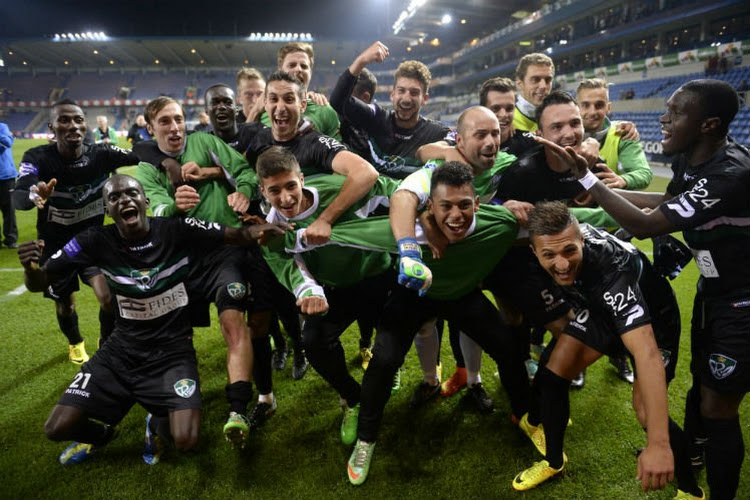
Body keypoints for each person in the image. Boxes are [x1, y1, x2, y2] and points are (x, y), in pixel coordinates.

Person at [544, 79, 748, 500]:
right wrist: (614, 195)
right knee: (702, 388)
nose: (663, 119)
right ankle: (694, 462)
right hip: (716, 292)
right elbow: (663, 201)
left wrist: (590, 180)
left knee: (717, 404)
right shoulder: (693, 160)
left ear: (708, 124)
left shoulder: (731, 173)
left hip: (743, 300)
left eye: (675, 113)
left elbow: (648, 223)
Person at [18, 174, 285, 467]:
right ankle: (103, 434)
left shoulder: (176, 229)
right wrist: (31, 268)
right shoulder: (93, 240)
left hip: (172, 352)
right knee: (56, 428)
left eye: (132, 193)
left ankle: (156, 418)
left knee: (186, 440)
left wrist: (262, 228)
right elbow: (40, 281)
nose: (125, 200)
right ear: (107, 210)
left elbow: (234, 235)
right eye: (115, 197)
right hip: (122, 350)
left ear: (145, 201)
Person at [320, 163, 529, 485]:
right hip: (412, 296)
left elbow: (568, 219)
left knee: (509, 347)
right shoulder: (405, 228)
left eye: (464, 205)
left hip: (461, 296)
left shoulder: (499, 222)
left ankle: (526, 415)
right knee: (384, 359)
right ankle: (366, 439)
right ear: (429, 207)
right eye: (445, 206)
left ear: (477, 204)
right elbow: (342, 233)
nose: (456, 215)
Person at [512, 202, 682, 495]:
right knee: (552, 375)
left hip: (654, 324)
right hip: (602, 313)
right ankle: (554, 461)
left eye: (569, 251)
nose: (562, 265)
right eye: (549, 255)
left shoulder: (611, 270)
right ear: (534, 250)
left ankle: (691, 487)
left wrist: (658, 445)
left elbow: (647, 354)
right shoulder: (548, 243)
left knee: (646, 413)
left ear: (583, 240)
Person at [244, 70, 379, 424]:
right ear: (264, 106)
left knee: (381, 316)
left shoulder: (315, 143)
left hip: (342, 250)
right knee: (303, 325)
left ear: (303, 104)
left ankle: (377, 359)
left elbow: (365, 174)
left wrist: (327, 219)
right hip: (298, 254)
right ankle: (348, 393)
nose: (280, 107)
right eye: (273, 99)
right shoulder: (258, 142)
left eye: (289, 98)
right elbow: (246, 176)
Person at [134, 96, 260, 446]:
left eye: (178, 119)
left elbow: (245, 171)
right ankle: (177, 401)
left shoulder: (206, 142)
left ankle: (238, 410)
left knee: (233, 321)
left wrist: (244, 193)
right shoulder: (146, 168)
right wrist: (171, 205)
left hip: (224, 252)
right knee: (178, 337)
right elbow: (149, 209)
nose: (175, 127)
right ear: (151, 127)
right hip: (178, 260)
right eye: (165, 122)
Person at [257, 146, 399, 445]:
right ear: (262, 191)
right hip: (336, 290)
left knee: (388, 351)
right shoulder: (269, 231)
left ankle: (385, 364)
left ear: (303, 179)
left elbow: (395, 192)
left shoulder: (338, 189)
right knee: (314, 341)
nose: (285, 198)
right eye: (274, 191)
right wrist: (310, 292)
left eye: (291, 186)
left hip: (377, 276)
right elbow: (290, 268)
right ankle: (353, 399)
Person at [13, 99, 139, 364]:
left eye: (79, 120)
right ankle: (75, 342)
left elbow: (140, 154)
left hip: (93, 241)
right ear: (52, 127)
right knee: (66, 303)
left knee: (108, 297)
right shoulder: (38, 157)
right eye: (65, 120)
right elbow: (20, 193)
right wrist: (35, 194)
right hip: (56, 244)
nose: (73, 125)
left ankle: (106, 343)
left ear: (85, 125)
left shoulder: (100, 154)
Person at [330, 41, 451, 178]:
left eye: (414, 93)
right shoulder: (377, 118)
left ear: (425, 99)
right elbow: (338, 102)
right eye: (401, 91)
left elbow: (462, 140)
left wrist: (447, 148)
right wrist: (360, 61)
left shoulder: (436, 132)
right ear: (392, 95)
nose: (406, 98)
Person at [255, 43, 340, 140]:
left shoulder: (325, 110)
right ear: (280, 70)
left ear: (310, 73)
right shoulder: (264, 107)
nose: (299, 69)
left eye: (304, 66)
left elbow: (337, 151)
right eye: (292, 65)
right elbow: (243, 146)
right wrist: (255, 111)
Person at [513, 53, 555, 133]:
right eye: (535, 79)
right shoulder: (506, 122)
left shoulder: (558, 116)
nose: (543, 86)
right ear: (520, 84)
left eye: (548, 80)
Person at [0, 121, 18, 248]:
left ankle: (10, 239)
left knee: (9, 209)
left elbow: (7, 143)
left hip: (5, 176)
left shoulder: (2, 127)